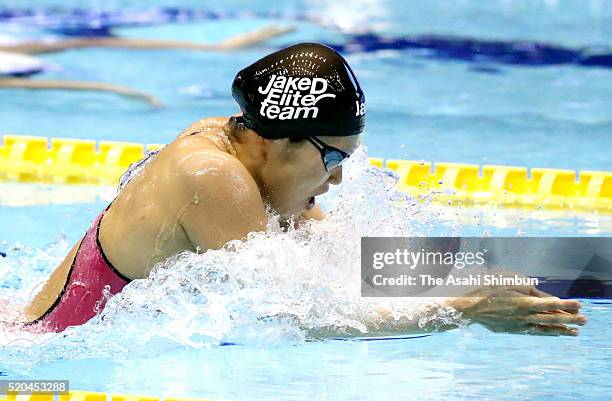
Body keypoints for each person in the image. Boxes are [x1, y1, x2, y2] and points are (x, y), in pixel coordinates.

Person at [16, 43, 586, 336]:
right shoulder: (212, 178)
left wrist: (476, 277)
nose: (336, 179)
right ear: (277, 140)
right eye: (331, 157)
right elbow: (296, 316)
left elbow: (331, 263)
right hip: (45, 360)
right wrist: (462, 309)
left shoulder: (243, 149)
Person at [0, 25, 293, 106]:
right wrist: (121, 90)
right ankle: (220, 49)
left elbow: (84, 44)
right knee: (98, 45)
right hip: (36, 66)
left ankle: (220, 48)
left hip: (42, 59)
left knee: (97, 44)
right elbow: (49, 83)